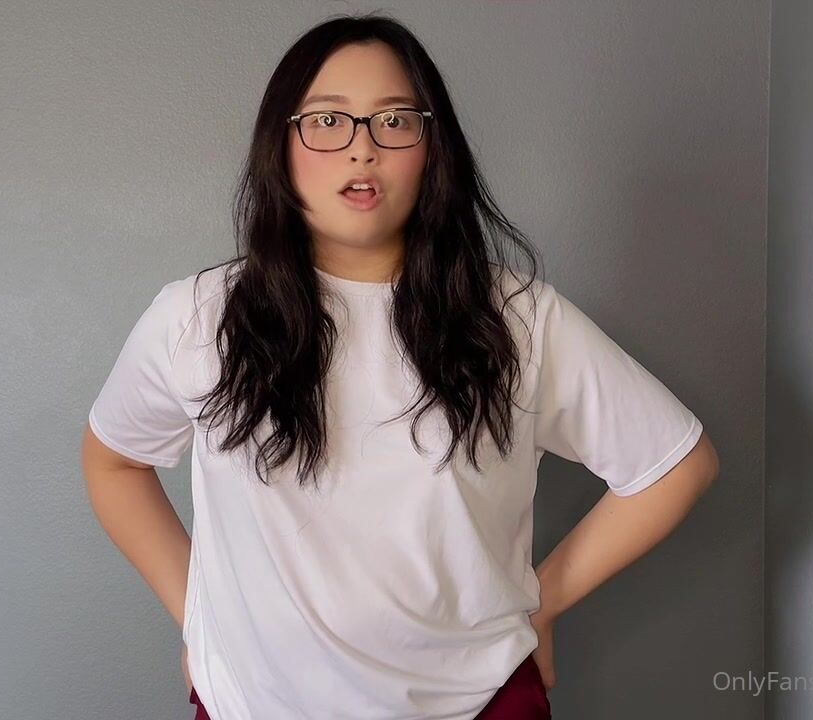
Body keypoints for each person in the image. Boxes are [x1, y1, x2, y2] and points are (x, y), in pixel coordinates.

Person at [81, 12, 719, 720]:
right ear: (280, 145)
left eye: (394, 122)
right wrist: (196, 614)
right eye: (327, 121)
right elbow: (114, 462)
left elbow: (675, 465)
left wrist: (545, 603)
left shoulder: (518, 318)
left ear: (432, 147)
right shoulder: (197, 318)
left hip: (476, 703)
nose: (363, 149)